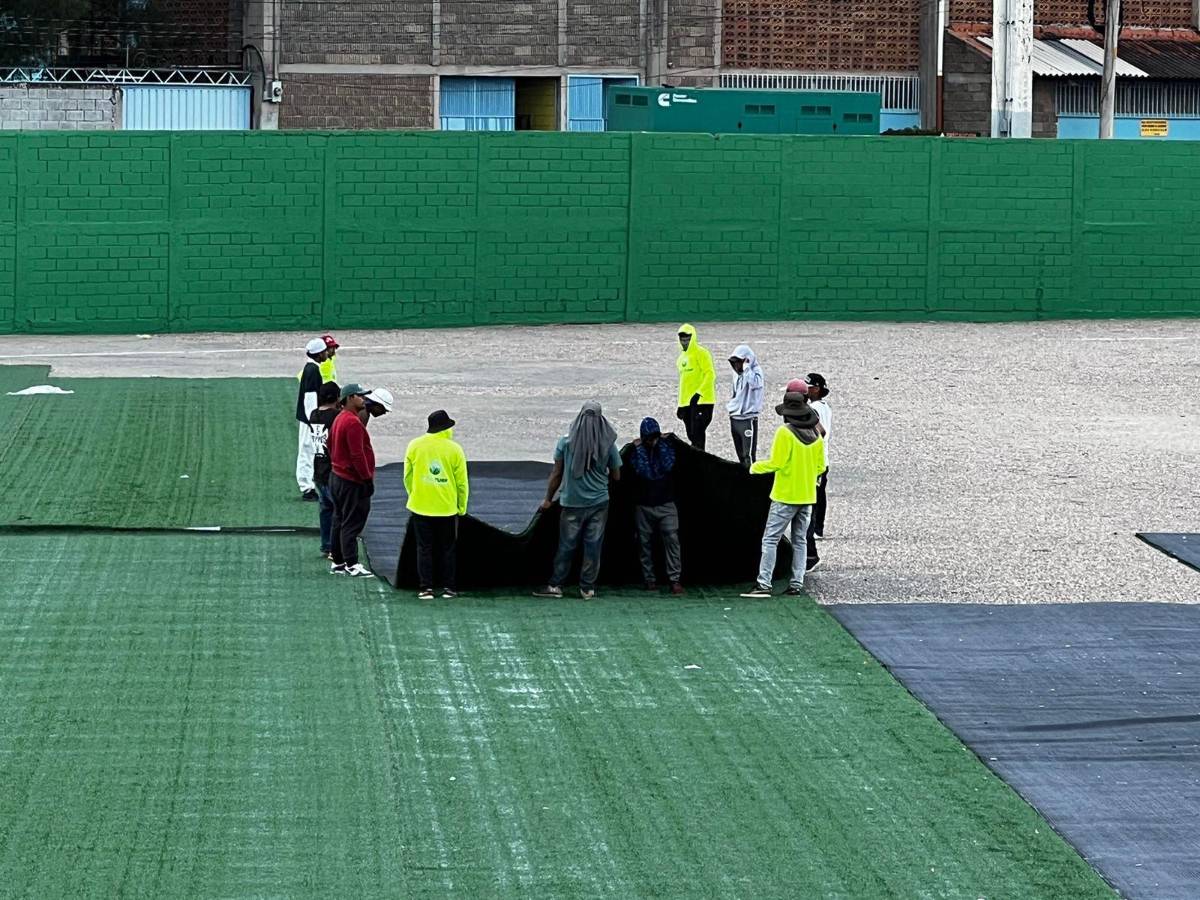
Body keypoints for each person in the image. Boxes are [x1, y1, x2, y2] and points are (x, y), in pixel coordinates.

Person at [741, 380, 825, 598]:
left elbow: (776, 463)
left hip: (785, 496)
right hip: (807, 496)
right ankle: (796, 583)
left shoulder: (784, 433)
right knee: (800, 541)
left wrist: (752, 467)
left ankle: (764, 584)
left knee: (770, 539)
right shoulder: (816, 436)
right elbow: (821, 467)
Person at [534, 401, 622, 600]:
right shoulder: (608, 444)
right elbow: (616, 475)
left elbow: (556, 473)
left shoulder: (566, 442)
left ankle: (556, 585)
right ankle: (587, 588)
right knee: (593, 545)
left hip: (572, 502)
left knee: (566, 545)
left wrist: (548, 499)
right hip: (599, 503)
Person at [404, 410, 469, 601]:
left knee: (424, 548)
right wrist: (461, 507)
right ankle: (449, 587)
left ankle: (426, 588)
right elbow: (462, 482)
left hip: (420, 506)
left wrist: (415, 494)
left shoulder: (415, 445)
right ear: (447, 428)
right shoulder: (455, 449)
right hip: (447, 508)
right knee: (447, 548)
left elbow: (407, 476)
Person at [627, 417, 684, 594]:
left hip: (665, 503)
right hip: (644, 505)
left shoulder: (665, 448)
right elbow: (645, 472)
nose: (653, 441)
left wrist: (661, 444)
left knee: (672, 539)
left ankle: (674, 579)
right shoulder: (637, 452)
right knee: (644, 542)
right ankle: (649, 579)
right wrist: (640, 449)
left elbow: (667, 465)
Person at [328, 383, 376, 577]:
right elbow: (357, 455)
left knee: (339, 519)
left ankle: (338, 561)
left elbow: (329, 444)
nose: (363, 399)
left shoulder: (340, 418)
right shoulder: (353, 422)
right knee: (352, 522)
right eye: (359, 396)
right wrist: (366, 478)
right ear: (349, 398)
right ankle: (352, 563)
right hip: (351, 481)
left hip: (337, 477)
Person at [308, 381, 341, 560]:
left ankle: (327, 544)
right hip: (331, 470)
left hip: (318, 468)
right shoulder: (336, 416)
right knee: (338, 510)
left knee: (325, 509)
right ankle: (335, 548)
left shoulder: (314, 414)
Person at [295, 337, 330, 500]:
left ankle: (308, 484)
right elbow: (310, 400)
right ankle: (306, 487)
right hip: (310, 420)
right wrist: (314, 421)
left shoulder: (310, 369)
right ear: (318, 354)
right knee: (307, 451)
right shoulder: (313, 371)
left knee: (309, 451)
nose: (327, 354)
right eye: (324, 351)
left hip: (309, 419)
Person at [675, 323, 716, 450]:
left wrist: (699, 393)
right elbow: (684, 383)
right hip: (687, 404)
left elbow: (710, 375)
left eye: (687, 339)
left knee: (698, 437)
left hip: (702, 402)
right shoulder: (681, 358)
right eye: (682, 339)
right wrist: (680, 405)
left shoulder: (702, 353)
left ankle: (700, 464)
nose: (685, 342)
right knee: (691, 435)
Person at [806, 372, 832, 553]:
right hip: (824, 457)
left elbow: (819, 432)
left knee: (815, 495)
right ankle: (818, 528)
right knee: (820, 493)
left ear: (817, 389)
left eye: (809, 387)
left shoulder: (814, 409)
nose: (807, 390)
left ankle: (816, 528)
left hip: (817, 458)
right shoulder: (826, 407)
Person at [727, 344, 764, 467]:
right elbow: (735, 392)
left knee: (748, 456)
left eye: (739, 362)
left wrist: (747, 368)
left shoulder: (756, 372)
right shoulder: (736, 374)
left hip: (748, 419)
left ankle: (752, 481)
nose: (736, 365)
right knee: (740, 455)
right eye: (735, 362)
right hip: (735, 418)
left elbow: (755, 384)